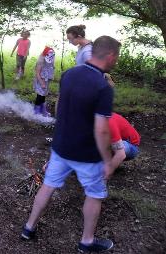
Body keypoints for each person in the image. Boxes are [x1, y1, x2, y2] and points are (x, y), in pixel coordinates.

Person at [21, 35, 121, 253]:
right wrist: (108, 161)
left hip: (61, 147)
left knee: (48, 186)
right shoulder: (103, 87)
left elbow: (60, 107)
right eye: (117, 57)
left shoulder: (69, 74)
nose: (117, 61)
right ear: (111, 56)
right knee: (94, 194)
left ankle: (28, 228)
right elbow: (102, 128)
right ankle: (86, 242)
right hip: (86, 154)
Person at [33, 46, 55, 116]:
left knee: (44, 95)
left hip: (46, 80)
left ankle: (43, 110)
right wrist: (42, 83)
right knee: (40, 95)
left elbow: (50, 69)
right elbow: (37, 73)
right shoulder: (40, 61)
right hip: (40, 80)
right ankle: (36, 111)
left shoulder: (51, 60)